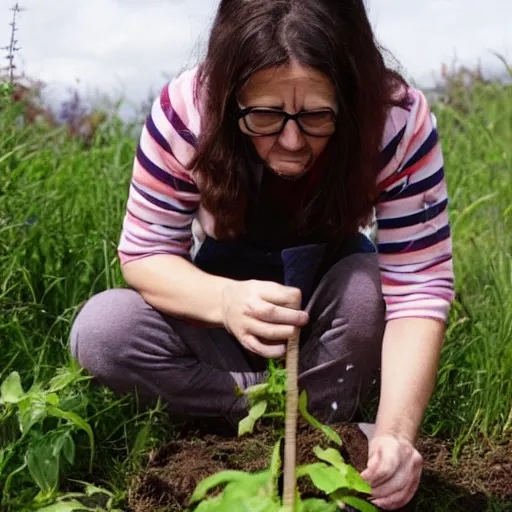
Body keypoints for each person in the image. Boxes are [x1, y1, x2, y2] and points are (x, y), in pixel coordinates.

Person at [69, 0, 455, 508]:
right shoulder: (186, 112)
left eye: (318, 115)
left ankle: (280, 418)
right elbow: (145, 252)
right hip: (221, 322)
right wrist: (224, 301)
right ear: (231, 96)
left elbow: (419, 284)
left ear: (352, 95)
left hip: (327, 323)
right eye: (266, 115)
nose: (292, 141)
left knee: (367, 291)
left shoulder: (395, 121)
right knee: (103, 332)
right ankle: (284, 411)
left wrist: (396, 435)